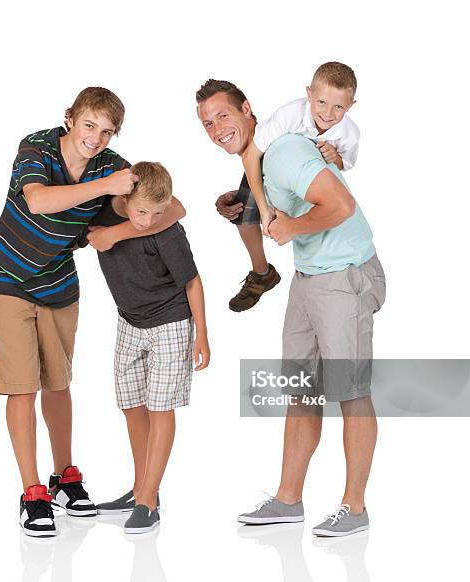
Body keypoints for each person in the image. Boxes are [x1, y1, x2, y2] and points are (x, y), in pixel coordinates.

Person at [0, 87, 185, 537]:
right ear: (70, 119)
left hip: (59, 281)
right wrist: (107, 187)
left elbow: (173, 208)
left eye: (107, 132)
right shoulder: (36, 147)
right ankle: (32, 491)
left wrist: (116, 234)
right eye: (89, 126)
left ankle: (63, 478)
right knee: (22, 387)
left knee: (58, 383)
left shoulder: (112, 165)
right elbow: (38, 200)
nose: (95, 139)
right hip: (10, 277)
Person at [196, 80, 386, 537]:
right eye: (207, 123)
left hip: (343, 276)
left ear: (246, 109)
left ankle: (355, 509)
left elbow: (341, 204)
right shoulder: (258, 158)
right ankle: (288, 500)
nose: (217, 129)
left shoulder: (283, 153)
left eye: (224, 116)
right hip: (309, 278)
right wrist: (252, 207)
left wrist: (293, 227)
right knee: (301, 389)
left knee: (351, 392)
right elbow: (265, 190)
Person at [87, 162, 210, 534]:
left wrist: (201, 333)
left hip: (170, 321)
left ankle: (148, 499)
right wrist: (109, 234)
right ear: (124, 199)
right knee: (130, 404)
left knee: (160, 408)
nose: (147, 220)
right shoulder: (104, 210)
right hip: (129, 320)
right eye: (141, 211)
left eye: (157, 213)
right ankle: (141, 486)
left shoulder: (166, 230)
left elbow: (192, 281)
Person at [242, 62, 360, 236]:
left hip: (305, 189)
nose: (328, 113)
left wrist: (335, 157)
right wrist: (264, 208)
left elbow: (345, 164)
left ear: (350, 105)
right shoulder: (288, 115)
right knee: (243, 214)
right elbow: (250, 155)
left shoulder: (350, 133)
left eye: (339, 107)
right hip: (269, 172)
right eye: (321, 102)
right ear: (309, 95)